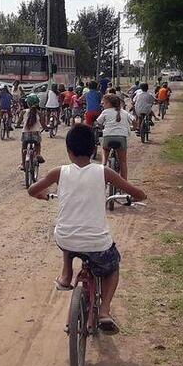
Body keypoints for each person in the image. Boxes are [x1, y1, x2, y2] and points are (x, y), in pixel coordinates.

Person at [27, 124, 146, 334]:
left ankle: (66, 275)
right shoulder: (104, 172)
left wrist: (43, 196)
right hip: (97, 244)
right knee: (112, 267)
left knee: (67, 232)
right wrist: (132, 198)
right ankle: (105, 311)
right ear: (94, 149)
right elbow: (139, 193)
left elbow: (32, 190)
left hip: (65, 239)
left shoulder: (59, 172)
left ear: (68, 151)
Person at [96, 94, 134, 180]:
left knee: (104, 149)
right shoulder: (124, 112)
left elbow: (98, 122)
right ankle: (124, 184)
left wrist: (101, 127)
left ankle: (103, 166)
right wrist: (135, 127)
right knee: (123, 162)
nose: (103, 105)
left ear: (109, 104)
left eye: (104, 103)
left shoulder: (105, 112)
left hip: (108, 137)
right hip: (121, 139)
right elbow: (133, 119)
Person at [20, 93, 47, 170]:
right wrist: (46, 128)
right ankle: (38, 154)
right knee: (38, 144)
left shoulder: (23, 112)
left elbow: (18, 122)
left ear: (27, 103)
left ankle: (23, 164)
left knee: (23, 147)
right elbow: (43, 124)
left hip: (25, 134)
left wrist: (17, 125)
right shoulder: (39, 112)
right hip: (36, 134)